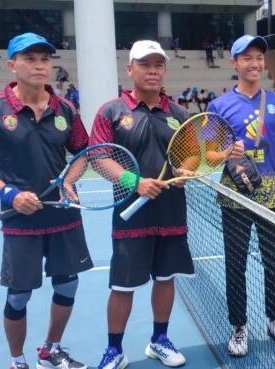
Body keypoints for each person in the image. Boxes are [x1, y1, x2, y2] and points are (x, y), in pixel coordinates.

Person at [0, 32, 92, 369]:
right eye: (30, 59)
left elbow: (82, 154)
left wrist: (69, 181)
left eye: (45, 59)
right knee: (19, 294)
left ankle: (51, 350)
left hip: (63, 215)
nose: (39, 66)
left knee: (68, 284)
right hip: (20, 219)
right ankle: (18, 360)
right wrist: (10, 194)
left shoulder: (67, 108)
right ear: (12, 65)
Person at [89, 40, 193, 369]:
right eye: (145, 64)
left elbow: (191, 152)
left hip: (171, 210)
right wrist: (134, 182)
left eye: (158, 65)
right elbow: (98, 156)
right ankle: (114, 350)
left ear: (164, 70)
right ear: (130, 69)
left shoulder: (178, 113)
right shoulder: (112, 111)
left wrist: (185, 169)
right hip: (129, 214)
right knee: (123, 284)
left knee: (165, 278)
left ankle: (159, 340)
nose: (152, 70)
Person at [206, 34, 275, 357]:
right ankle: (239, 326)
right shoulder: (218, 106)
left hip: (271, 191)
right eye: (247, 58)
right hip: (235, 193)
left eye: (259, 58)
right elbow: (209, 155)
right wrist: (227, 153)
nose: (255, 64)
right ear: (234, 63)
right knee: (236, 264)